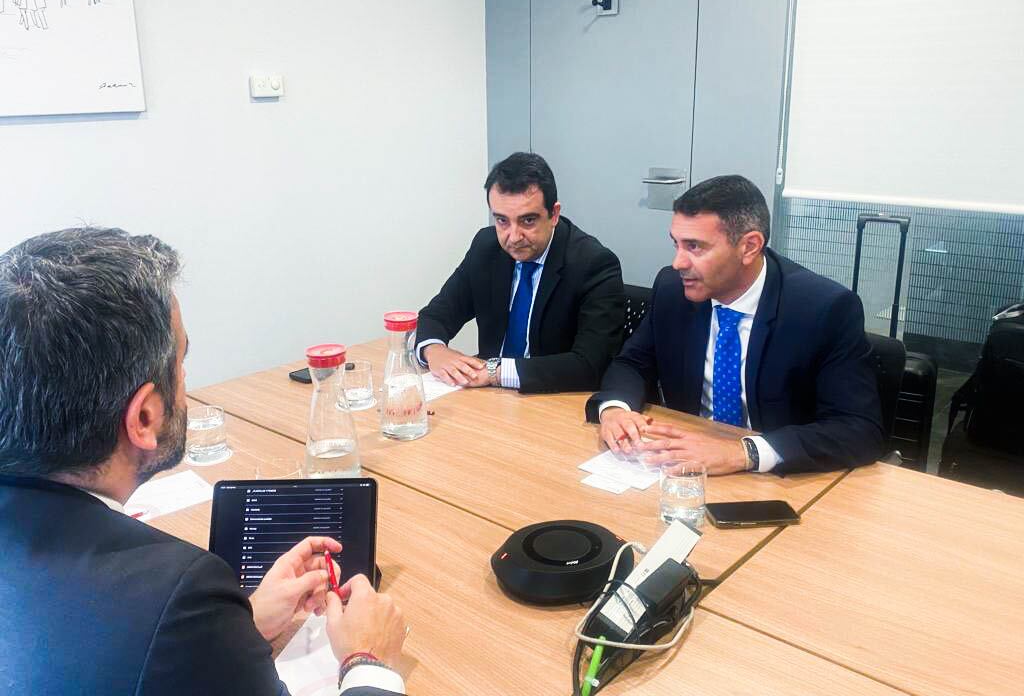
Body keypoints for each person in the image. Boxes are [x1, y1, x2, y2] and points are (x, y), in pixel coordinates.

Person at [0, 228, 406, 695]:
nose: (186, 379)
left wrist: (240, 627)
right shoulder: (176, 596)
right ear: (146, 416)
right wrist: (368, 660)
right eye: (181, 361)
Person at [587, 175, 884, 475]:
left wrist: (744, 452)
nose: (678, 263)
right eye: (676, 244)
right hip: (685, 470)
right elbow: (632, 363)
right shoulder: (672, 290)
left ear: (749, 247)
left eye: (695, 247)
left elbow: (859, 430)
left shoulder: (823, 309)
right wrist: (614, 409)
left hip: (784, 480)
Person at [416, 151, 625, 393]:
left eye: (527, 221)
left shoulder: (594, 263)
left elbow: (590, 365)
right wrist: (434, 350)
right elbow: (436, 315)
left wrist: (496, 372)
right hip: (489, 398)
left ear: (554, 214)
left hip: (551, 400)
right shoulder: (487, 248)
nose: (513, 237)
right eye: (502, 221)